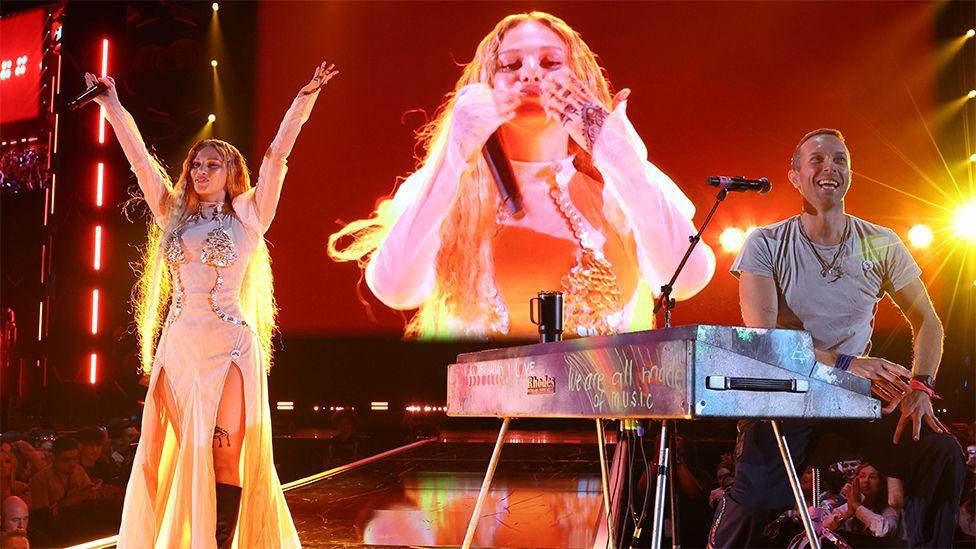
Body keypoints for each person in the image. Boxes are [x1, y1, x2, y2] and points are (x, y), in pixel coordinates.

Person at [329, 11, 713, 339]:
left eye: (550, 63)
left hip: (601, 422)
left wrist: (613, 151)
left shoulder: (617, 192)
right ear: (485, 83)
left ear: (580, 80)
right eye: (511, 65)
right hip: (482, 424)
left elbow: (687, 277)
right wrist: (454, 155)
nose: (530, 74)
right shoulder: (447, 194)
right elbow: (394, 288)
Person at [87, 60, 338, 548]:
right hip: (179, 347)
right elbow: (140, 160)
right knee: (172, 453)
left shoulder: (250, 214)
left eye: (212, 164)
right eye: (196, 164)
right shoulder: (173, 213)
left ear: (231, 172)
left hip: (229, 348)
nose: (201, 171)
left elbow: (277, 156)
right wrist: (111, 105)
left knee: (225, 455)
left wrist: (303, 99)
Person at [708, 129, 965, 548]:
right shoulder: (766, 243)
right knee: (754, 497)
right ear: (794, 175)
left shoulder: (881, 243)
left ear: (850, 174)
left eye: (840, 160)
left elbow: (929, 321)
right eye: (818, 160)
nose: (830, 167)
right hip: (789, 390)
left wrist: (921, 385)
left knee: (940, 452)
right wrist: (844, 361)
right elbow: (765, 343)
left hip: (853, 395)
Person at [823, 463, 900, 539]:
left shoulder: (889, 510)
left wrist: (857, 507)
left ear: (881, 483)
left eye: (872, 477)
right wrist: (847, 514)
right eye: (862, 476)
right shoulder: (848, 505)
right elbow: (823, 528)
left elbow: (882, 531)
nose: (866, 480)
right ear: (856, 481)